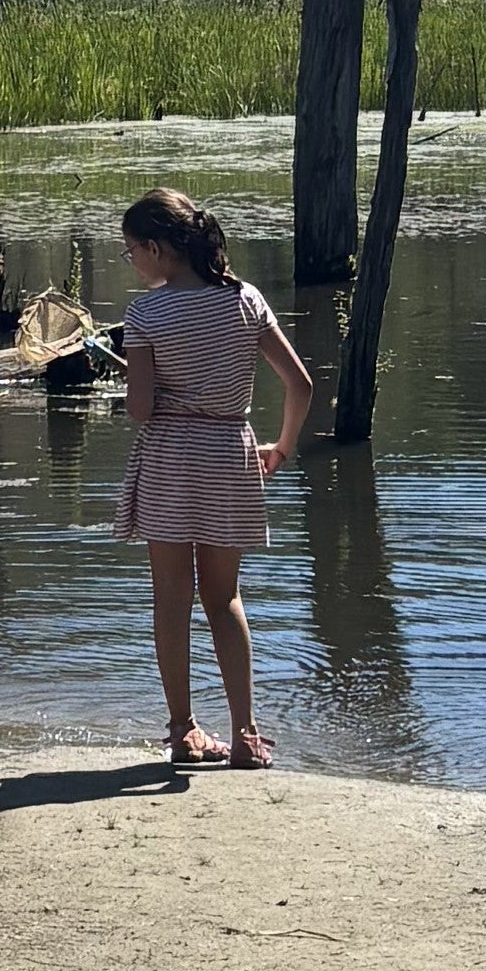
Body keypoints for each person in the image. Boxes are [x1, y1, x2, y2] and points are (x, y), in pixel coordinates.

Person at [113, 186, 313, 771]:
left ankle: (183, 731)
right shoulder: (245, 299)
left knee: (170, 598)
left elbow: (142, 410)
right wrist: (282, 446)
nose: (132, 262)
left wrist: (135, 368)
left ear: (155, 247)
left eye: (131, 251)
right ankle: (247, 735)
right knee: (224, 598)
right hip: (231, 451)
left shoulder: (145, 313)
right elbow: (300, 384)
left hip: (172, 455)